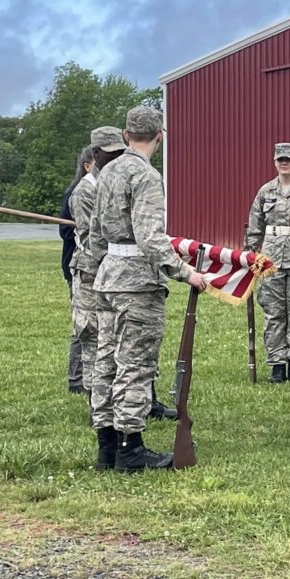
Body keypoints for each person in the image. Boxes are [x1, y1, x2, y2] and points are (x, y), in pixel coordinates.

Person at [89, 106, 207, 472]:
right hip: (138, 282)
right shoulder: (146, 175)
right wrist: (185, 272)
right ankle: (131, 449)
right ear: (160, 136)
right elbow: (150, 236)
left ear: (126, 135)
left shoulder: (107, 172)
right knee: (135, 364)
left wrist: (103, 266)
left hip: (109, 276)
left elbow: (94, 233)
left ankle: (107, 447)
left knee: (106, 361)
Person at [244, 143, 290, 383]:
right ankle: (277, 364)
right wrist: (250, 254)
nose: (284, 163)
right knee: (274, 312)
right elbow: (255, 224)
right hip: (271, 261)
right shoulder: (266, 191)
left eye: (289, 159)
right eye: (280, 159)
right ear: (275, 162)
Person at [59, 147, 94, 394]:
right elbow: (64, 231)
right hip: (77, 264)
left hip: (93, 265)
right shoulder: (76, 193)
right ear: (86, 166)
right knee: (82, 323)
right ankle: (76, 379)